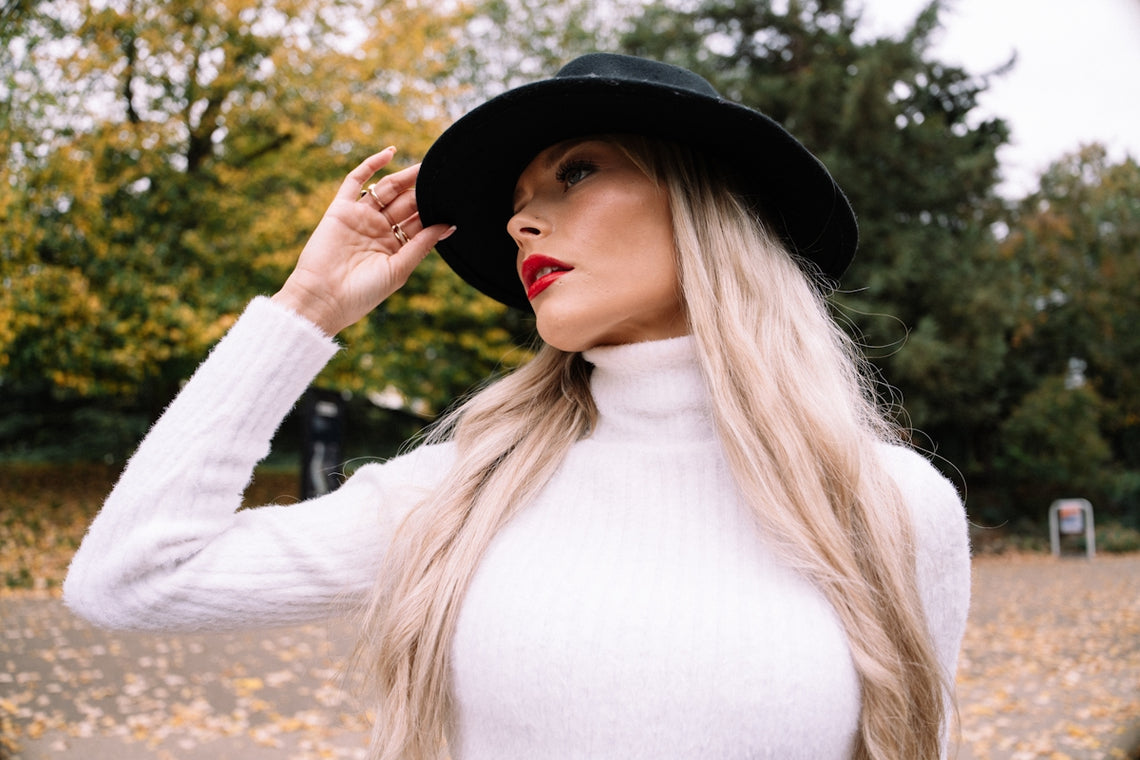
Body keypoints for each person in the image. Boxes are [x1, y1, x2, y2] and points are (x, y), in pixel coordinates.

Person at [64, 53, 971, 760]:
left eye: (574, 173)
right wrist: (307, 310)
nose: (520, 221)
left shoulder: (892, 505)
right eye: (516, 203)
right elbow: (132, 578)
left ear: (704, 205)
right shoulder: (466, 491)